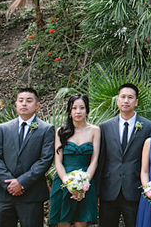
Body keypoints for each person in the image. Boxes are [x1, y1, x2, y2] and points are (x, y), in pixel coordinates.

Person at [0, 87, 55, 227]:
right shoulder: (3, 128)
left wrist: (22, 182)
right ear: (16, 104)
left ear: (37, 105)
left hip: (31, 193)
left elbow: (45, 159)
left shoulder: (46, 129)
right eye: (21, 100)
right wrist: (9, 183)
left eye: (29, 101)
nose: (24, 103)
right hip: (4, 192)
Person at [98, 83, 151, 227]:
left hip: (135, 188)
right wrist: (97, 191)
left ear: (136, 102)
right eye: (122, 97)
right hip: (109, 189)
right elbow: (100, 161)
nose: (126, 101)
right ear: (117, 100)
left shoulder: (149, 127)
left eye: (130, 97)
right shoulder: (105, 127)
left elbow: (150, 160)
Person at [48, 94, 101, 227]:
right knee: (63, 223)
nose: (78, 111)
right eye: (74, 108)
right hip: (63, 181)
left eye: (82, 108)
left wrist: (83, 184)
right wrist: (68, 183)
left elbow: (94, 160)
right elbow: (58, 162)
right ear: (69, 111)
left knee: (81, 222)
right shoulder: (61, 131)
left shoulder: (95, 130)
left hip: (86, 183)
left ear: (87, 110)